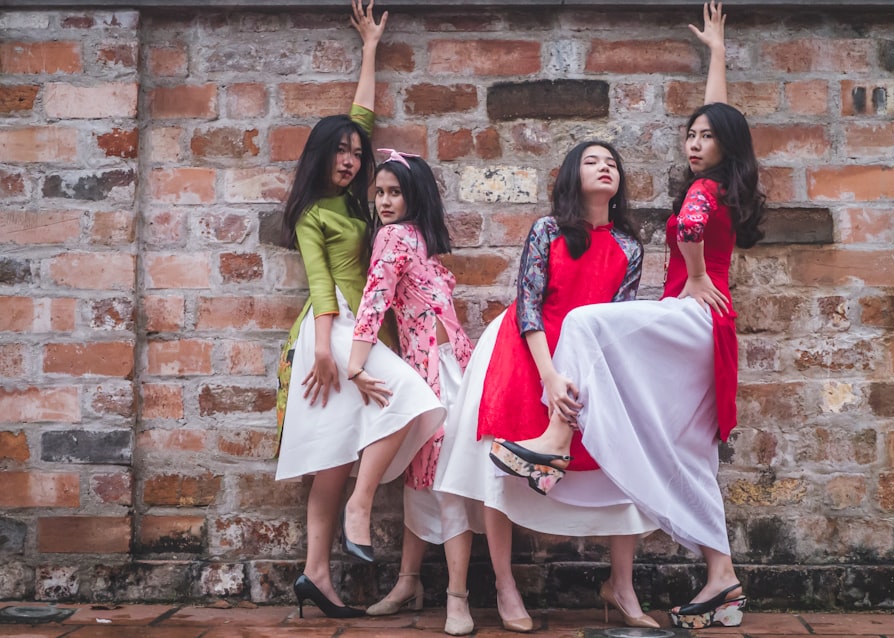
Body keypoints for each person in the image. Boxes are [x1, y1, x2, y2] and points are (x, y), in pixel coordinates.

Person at [497, 2, 767, 630]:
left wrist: (694, 275)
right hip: (713, 336)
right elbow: (723, 123)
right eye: (689, 135)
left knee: (589, 324)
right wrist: (718, 58)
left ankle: (556, 442)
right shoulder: (730, 180)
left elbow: (693, 222)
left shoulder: (705, 191)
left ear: (723, 146)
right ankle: (721, 577)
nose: (693, 142)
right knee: (693, 454)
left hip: (692, 316)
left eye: (703, 137)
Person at [435, 139, 662, 633]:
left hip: (588, 361)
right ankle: (503, 583)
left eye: (612, 163)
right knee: (498, 466)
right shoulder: (546, 230)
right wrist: (549, 376)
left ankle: (621, 584)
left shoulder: (629, 247)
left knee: (621, 467)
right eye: (592, 161)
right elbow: (529, 303)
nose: (605, 168)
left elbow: (617, 322)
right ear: (569, 175)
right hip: (527, 349)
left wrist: (584, 377)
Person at [273, 0, 445, 620]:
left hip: (360, 332)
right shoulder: (314, 214)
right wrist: (325, 349)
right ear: (318, 157)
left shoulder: (365, 204)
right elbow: (322, 284)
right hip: (332, 330)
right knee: (330, 461)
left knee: (351, 448)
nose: (349, 159)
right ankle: (323, 564)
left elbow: (363, 118)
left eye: (354, 152)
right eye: (339, 152)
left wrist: (370, 47)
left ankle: (334, 546)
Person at [345, 150, 484, 636]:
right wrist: (357, 363)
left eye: (395, 192)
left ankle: (457, 597)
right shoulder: (399, 236)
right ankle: (408, 583)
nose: (384, 201)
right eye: (379, 192)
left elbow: (375, 298)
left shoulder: (412, 237)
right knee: (424, 477)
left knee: (444, 480)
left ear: (415, 195)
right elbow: (374, 298)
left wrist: (356, 363)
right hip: (435, 370)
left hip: (446, 371)